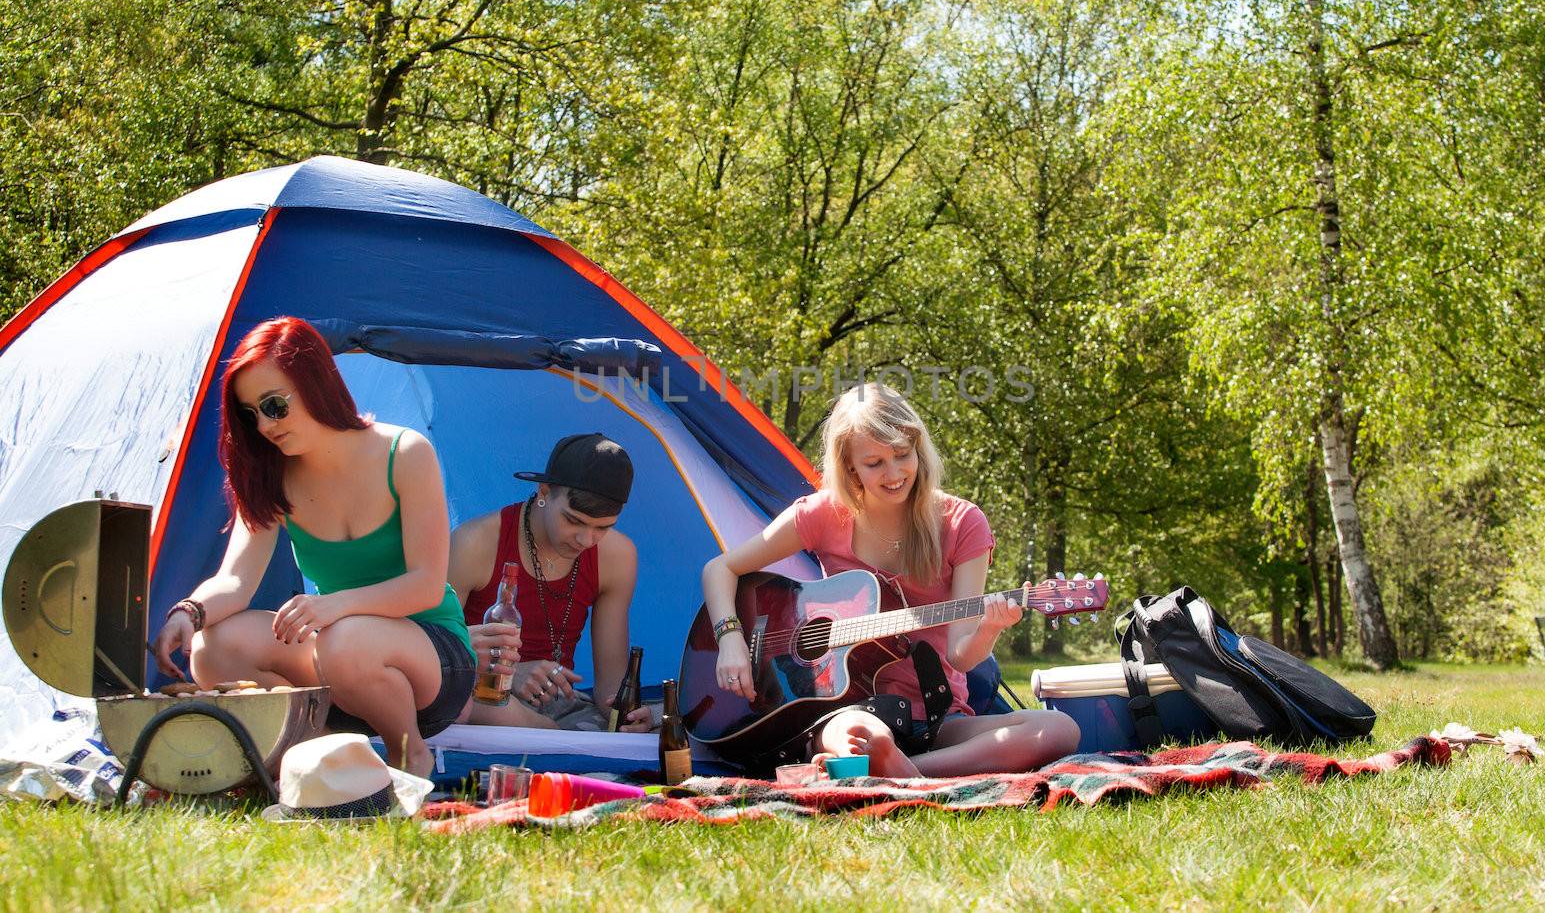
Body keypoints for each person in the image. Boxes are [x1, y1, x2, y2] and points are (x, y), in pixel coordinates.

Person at [701, 383, 1079, 777]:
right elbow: (720, 569)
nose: (894, 473)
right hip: (847, 708)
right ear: (849, 467)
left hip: (938, 713)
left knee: (1057, 729)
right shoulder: (821, 514)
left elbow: (960, 656)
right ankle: (897, 765)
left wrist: (991, 628)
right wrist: (730, 640)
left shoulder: (962, 523)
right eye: (875, 462)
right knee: (864, 736)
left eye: (902, 455)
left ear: (918, 448)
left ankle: (907, 771)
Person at [152, 317, 475, 777]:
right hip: (336, 658)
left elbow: (425, 586)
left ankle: (410, 757)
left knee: (342, 641)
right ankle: (313, 752)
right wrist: (188, 612)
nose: (264, 425)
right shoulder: (269, 477)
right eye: (250, 414)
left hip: (431, 661)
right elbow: (235, 580)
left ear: (315, 383)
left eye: (274, 405)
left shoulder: (404, 453)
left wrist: (333, 608)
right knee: (212, 647)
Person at [448, 433, 652, 732]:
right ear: (544, 492)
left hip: (559, 705)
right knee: (495, 712)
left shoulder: (617, 556)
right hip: (478, 691)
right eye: (573, 521)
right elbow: (430, 653)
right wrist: (509, 673)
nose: (586, 539)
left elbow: (611, 683)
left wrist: (626, 715)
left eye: (603, 528)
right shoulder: (475, 543)